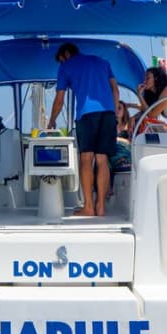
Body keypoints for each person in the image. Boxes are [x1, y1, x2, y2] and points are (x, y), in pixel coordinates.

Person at [47, 43, 118, 216]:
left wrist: (52, 121)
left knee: (86, 158)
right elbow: (115, 90)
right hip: (108, 113)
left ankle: (88, 207)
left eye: (61, 60)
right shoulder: (102, 62)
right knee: (102, 159)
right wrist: (114, 112)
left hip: (87, 114)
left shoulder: (66, 66)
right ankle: (100, 206)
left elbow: (59, 99)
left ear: (65, 54)